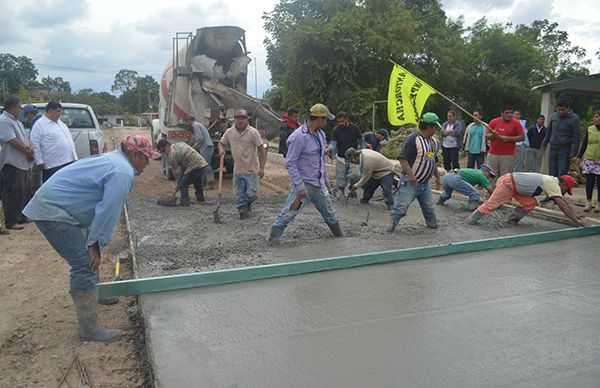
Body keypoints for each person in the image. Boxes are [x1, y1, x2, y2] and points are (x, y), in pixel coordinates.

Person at [22, 135, 156, 342]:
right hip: (54, 213)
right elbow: (108, 211)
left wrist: (94, 243)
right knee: (84, 263)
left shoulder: (115, 160)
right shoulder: (122, 171)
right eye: (146, 159)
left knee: (91, 255)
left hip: (60, 208)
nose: (147, 165)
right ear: (136, 155)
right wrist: (95, 243)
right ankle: (89, 330)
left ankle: (97, 293)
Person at [267, 103, 343, 246]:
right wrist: (299, 186)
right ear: (318, 119)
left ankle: (340, 237)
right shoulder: (299, 137)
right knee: (289, 213)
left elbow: (321, 159)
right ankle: (272, 241)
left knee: (330, 214)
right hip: (303, 188)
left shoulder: (320, 135)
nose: (326, 122)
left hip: (318, 186)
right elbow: (291, 162)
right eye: (325, 119)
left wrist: (326, 180)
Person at [387, 112, 442, 233]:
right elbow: (402, 159)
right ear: (429, 126)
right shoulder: (412, 139)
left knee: (429, 209)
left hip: (425, 184)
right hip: (410, 182)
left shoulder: (433, 142)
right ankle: (390, 229)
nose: (435, 130)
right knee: (401, 208)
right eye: (435, 127)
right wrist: (411, 176)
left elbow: (433, 161)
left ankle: (432, 227)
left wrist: (437, 177)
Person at [466, 173, 587, 226]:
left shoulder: (552, 182)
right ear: (564, 185)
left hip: (516, 187)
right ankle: (471, 220)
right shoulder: (553, 184)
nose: (564, 193)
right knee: (491, 205)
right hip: (509, 183)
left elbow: (562, 203)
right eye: (566, 190)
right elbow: (563, 205)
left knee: (530, 203)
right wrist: (576, 221)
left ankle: (511, 221)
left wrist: (575, 217)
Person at [218, 109, 266, 219]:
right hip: (238, 169)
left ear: (246, 119)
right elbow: (221, 143)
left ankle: (248, 203)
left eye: (243, 118)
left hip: (252, 170)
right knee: (239, 194)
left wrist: (262, 168)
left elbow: (261, 150)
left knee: (252, 195)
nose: (240, 121)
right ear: (234, 120)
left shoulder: (253, 132)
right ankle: (242, 212)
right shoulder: (230, 132)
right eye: (238, 118)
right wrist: (221, 149)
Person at [0, 96, 33, 230]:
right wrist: (27, 152)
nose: (20, 111)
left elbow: (25, 139)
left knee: (24, 190)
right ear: (13, 108)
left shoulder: (17, 122)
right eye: (19, 108)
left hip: (23, 162)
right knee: (13, 191)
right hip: (12, 162)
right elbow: (12, 141)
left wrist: (30, 150)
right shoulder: (3, 121)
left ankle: (21, 216)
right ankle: (11, 220)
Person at [30, 101, 78, 182]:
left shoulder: (61, 123)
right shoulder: (39, 125)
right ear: (50, 110)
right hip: (53, 165)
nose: (60, 114)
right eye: (58, 111)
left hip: (69, 161)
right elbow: (35, 144)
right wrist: (39, 161)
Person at [157, 139, 208, 206]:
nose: (164, 153)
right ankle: (201, 200)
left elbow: (177, 173)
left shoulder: (172, 155)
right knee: (197, 183)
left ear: (167, 145)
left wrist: (179, 184)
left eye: (163, 150)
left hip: (195, 165)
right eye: (162, 152)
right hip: (202, 163)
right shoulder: (179, 144)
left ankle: (185, 202)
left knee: (183, 184)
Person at [327, 111, 365, 198]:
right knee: (340, 176)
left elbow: (361, 140)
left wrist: (363, 150)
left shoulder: (355, 128)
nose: (341, 123)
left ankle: (352, 187)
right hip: (341, 156)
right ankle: (341, 191)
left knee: (356, 174)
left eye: (342, 121)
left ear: (346, 119)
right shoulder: (336, 130)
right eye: (339, 122)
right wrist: (330, 148)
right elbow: (333, 143)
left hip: (353, 157)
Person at [485, 105, 525, 180]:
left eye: (511, 113)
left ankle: (504, 191)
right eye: (507, 113)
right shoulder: (494, 121)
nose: (509, 115)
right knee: (491, 176)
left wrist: (508, 139)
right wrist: (493, 135)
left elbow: (522, 137)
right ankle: (492, 191)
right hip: (493, 154)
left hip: (508, 155)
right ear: (501, 113)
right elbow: (486, 136)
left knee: (505, 178)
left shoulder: (516, 123)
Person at [542, 100, 580, 177]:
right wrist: (544, 144)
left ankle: (561, 188)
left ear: (568, 109)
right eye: (558, 110)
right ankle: (552, 188)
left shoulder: (574, 119)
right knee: (552, 173)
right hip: (553, 149)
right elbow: (549, 131)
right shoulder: (554, 116)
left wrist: (574, 151)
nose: (560, 112)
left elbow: (576, 136)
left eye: (563, 110)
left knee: (562, 173)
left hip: (565, 150)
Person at [576, 110, 600, 212]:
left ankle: (598, 203)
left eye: (596, 117)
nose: (594, 119)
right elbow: (585, 143)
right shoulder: (590, 129)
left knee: (599, 183)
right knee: (589, 181)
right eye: (593, 117)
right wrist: (579, 156)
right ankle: (588, 202)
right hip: (590, 158)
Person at [185, 114, 215, 189]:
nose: (186, 123)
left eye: (186, 121)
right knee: (204, 165)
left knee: (207, 165)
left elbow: (200, 138)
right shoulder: (198, 125)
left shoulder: (195, 126)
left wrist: (194, 147)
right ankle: (204, 183)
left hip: (206, 147)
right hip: (207, 146)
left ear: (189, 120)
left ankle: (211, 184)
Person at [22, 104, 42, 196]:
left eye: (25, 115)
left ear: (30, 114)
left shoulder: (36, 122)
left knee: (35, 173)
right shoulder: (41, 119)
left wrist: (31, 154)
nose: (26, 118)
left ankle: (35, 194)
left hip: (40, 153)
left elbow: (33, 140)